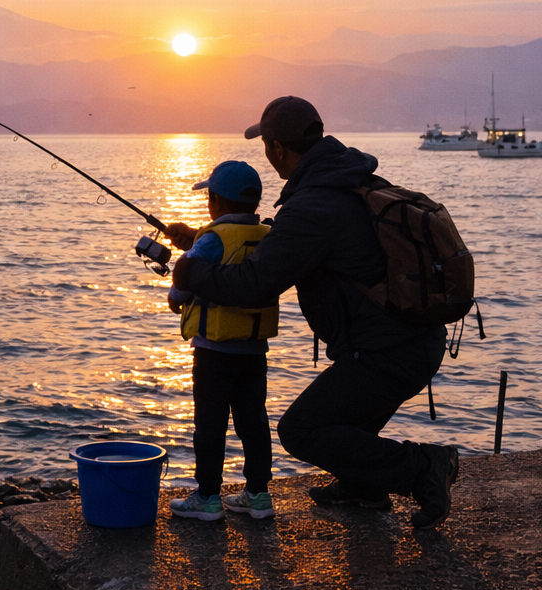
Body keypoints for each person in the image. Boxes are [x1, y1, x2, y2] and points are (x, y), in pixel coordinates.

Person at [166, 97, 459, 530]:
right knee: (344, 420)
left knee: (302, 430)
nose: (266, 152)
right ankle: (365, 484)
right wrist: (198, 239)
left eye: (266, 143)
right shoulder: (348, 180)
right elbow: (275, 251)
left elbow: (253, 284)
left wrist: (191, 271)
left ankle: (421, 468)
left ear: (278, 149)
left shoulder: (313, 205)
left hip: (388, 351)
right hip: (414, 339)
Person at [166, 160, 276, 523]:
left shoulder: (211, 239)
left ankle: (208, 498)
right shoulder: (268, 236)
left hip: (213, 352)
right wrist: (194, 236)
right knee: (254, 422)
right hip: (254, 350)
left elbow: (180, 291)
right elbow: (233, 245)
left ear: (215, 200)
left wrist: (174, 293)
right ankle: (258, 495)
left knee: (210, 425)